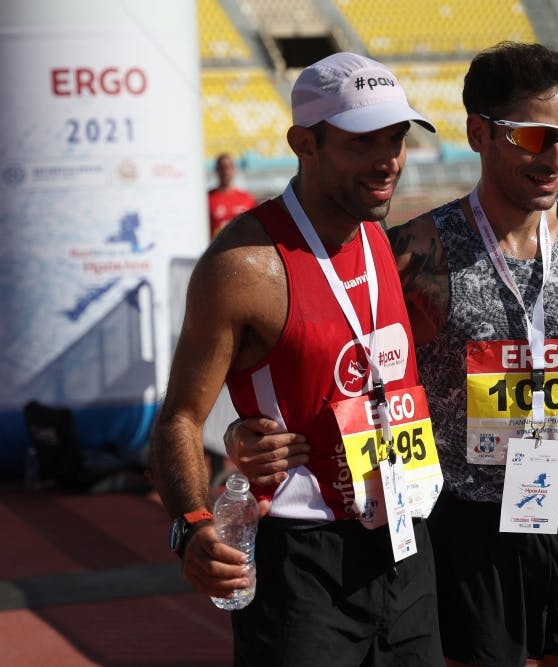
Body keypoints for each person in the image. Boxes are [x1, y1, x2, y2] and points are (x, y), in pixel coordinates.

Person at [228, 42, 558, 667]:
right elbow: (339, 364)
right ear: (479, 134)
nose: (555, 157)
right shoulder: (410, 252)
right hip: (470, 526)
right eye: (534, 137)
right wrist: (243, 434)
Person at [148, 52, 444, 666]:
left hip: (406, 540)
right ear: (303, 143)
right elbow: (179, 417)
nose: (388, 159)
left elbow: (501, 228)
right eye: (362, 141)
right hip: (303, 561)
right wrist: (192, 524)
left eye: (396, 138)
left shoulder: (386, 238)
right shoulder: (243, 266)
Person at [207, 153, 257, 239]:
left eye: (229, 167)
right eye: (222, 167)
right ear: (216, 170)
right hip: (217, 246)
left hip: (243, 245)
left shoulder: (247, 198)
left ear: (234, 170)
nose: (226, 171)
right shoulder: (207, 199)